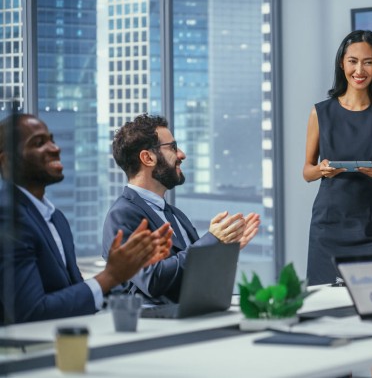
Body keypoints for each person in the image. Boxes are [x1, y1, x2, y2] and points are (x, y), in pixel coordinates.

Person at [0, 114, 172, 324]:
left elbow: (76, 295)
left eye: (51, 139)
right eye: (38, 143)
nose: (55, 148)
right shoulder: (7, 217)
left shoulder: (56, 219)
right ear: (7, 161)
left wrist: (127, 269)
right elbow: (30, 312)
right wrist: (110, 276)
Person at [102, 114, 260, 304]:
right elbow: (151, 280)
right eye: (173, 147)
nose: (182, 154)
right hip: (157, 328)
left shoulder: (176, 215)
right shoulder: (122, 215)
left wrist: (223, 251)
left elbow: (196, 279)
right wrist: (211, 242)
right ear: (147, 157)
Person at [303, 30, 372, 286]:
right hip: (328, 227)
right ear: (342, 63)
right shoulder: (321, 112)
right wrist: (322, 169)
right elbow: (307, 172)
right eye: (353, 61)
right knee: (326, 309)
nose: (359, 70)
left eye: (368, 62)